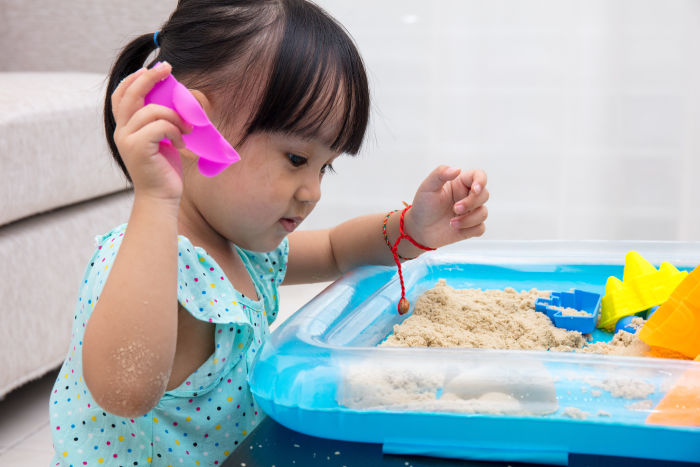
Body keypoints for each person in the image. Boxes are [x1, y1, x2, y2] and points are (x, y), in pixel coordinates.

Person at [49, 0, 489, 465]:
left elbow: (337, 249)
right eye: (297, 160)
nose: (313, 191)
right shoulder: (146, 260)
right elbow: (123, 390)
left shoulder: (244, 250)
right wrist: (155, 198)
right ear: (189, 127)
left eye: (326, 167)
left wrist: (413, 227)